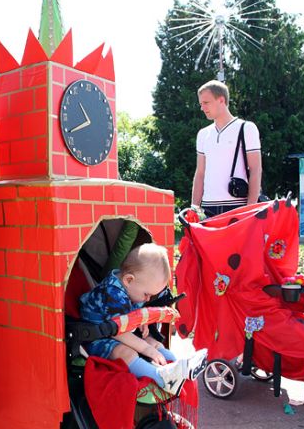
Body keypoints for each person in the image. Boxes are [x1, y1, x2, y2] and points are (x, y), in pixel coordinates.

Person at [80, 243, 207, 393]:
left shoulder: (131, 286)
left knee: (152, 341)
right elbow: (119, 332)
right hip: (96, 337)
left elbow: (129, 314)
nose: (147, 299)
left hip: (115, 331)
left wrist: (140, 322)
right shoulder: (113, 294)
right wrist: (148, 351)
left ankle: (179, 365)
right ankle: (162, 377)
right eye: (146, 294)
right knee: (127, 352)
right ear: (129, 280)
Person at [192, 80, 262, 217]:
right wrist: (194, 208)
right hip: (208, 208)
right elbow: (200, 173)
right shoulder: (203, 134)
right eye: (201, 104)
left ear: (221, 100)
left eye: (206, 103)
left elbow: (256, 169)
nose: (202, 108)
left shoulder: (246, 128)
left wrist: (250, 209)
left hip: (237, 206)